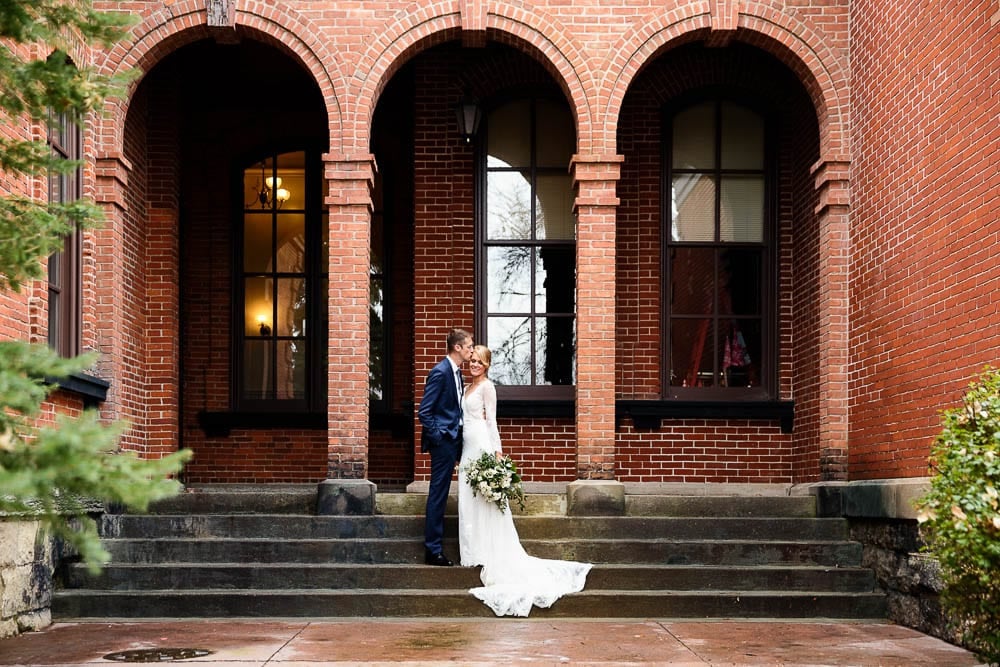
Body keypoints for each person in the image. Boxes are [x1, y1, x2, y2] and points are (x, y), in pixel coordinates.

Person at [458, 344, 592, 616]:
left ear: (486, 365)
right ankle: (472, 551)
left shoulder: (488, 388)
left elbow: (492, 421)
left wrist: (497, 455)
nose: (473, 365)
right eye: (471, 360)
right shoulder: (466, 387)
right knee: (468, 498)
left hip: (482, 445)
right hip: (466, 447)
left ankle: (489, 551)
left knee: (487, 499)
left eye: (479, 362)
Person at [418, 327, 474, 566]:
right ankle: (433, 550)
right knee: (438, 494)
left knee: (442, 492)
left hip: (455, 440)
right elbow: (424, 411)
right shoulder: (440, 372)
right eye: (469, 346)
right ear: (457, 347)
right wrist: (440, 437)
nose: (472, 349)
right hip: (444, 443)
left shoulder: (457, 373)